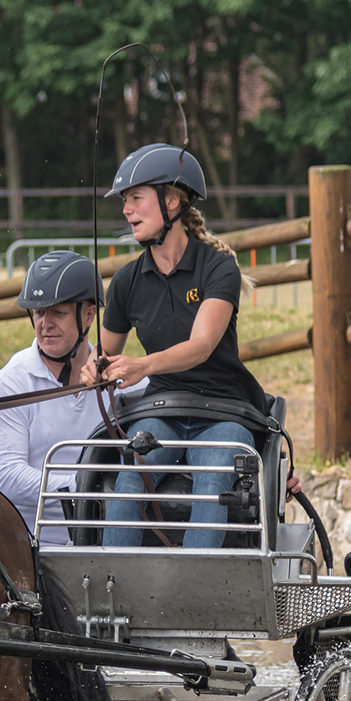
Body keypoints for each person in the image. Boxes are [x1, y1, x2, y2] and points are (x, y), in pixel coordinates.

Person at [78, 143, 277, 548]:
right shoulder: (127, 281)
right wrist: (94, 365)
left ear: (171, 202)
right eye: (124, 202)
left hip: (224, 409)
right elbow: (104, 349)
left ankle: (195, 600)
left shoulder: (218, 267)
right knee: (130, 475)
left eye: (136, 199)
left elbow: (202, 345)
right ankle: (113, 595)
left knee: (215, 475)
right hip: (163, 410)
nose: (126, 210)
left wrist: (143, 366)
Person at [0, 250, 132, 545]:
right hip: (30, 547)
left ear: (89, 315)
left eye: (58, 312)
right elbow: (6, 477)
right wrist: (87, 484)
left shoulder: (126, 384)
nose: (45, 323)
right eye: (39, 312)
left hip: (112, 543)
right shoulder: (9, 384)